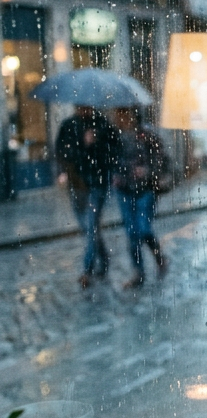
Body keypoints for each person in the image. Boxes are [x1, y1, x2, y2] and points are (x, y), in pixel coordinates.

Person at [55, 105, 118, 288]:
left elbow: (113, 152)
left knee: (91, 226)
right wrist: (83, 143)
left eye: (87, 107)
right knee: (88, 227)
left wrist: (97, 143)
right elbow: (62, 152)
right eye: (80, 107)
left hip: (97, 184)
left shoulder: (103, 124)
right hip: (77, 183)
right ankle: (104, 258)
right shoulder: (68, 125)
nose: (84, 110)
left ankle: (87, 271)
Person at [111, 107, 167, 288]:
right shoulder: (114, 138)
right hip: (124, 191)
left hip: (145, 190)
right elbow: (109, 160)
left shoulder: (147, 135)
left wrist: (147, 171)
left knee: (143, 229)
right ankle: (138, 272)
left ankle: (160, 258)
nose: (119, 116)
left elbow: (161, 160)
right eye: (118, 113)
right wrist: (115, 174)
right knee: (131, 234)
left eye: (122, 113)